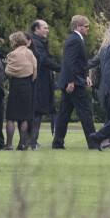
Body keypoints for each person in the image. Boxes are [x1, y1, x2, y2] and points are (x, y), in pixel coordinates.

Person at [52, 15, 98, 149]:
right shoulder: (75, 40)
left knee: (64, 114)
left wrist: (85, 77)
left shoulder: (76, 39)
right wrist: (71, 81)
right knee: (85, 113)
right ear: (78, 26)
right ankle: (93, 143)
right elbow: (68, 62)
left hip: (76, 81)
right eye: (86, 26)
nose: (88, 29)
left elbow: (78, 63)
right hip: (75, 84)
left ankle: (57, 143)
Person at [30, 20, 61, 148]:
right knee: (37, 113)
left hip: (41, 81)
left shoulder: (38, 42)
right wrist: (61, 68)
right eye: (45, 28)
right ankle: (31, 141)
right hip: (39, 83)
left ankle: (32, 141)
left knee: (37, 113)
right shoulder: (36, 43)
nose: (47, 30)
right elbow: (43, 60)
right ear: (36, 29)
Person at [4, 32, 37, 150]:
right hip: (27, 85)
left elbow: (8, 70)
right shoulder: (30, 53)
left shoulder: (13, 54)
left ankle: (9, 144)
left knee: (11, 117)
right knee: (24, 117)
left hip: (16, 86)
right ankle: (23, 144)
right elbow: (34, 69)